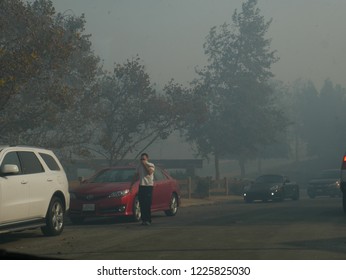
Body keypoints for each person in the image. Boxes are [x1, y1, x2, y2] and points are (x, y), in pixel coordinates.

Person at [132, 153, 155, 225]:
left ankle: (148, 220)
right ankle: (144, 220)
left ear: (147, 159)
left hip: (148, 186)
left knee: (147, 204)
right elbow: (136, 175)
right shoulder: (139, 166)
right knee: (141, 204)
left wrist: (144, 164)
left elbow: (149, 172)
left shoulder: (151, 165)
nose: (142, 160)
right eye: (141, 159)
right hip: (141, 186)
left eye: (143, 159)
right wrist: (131, 185)